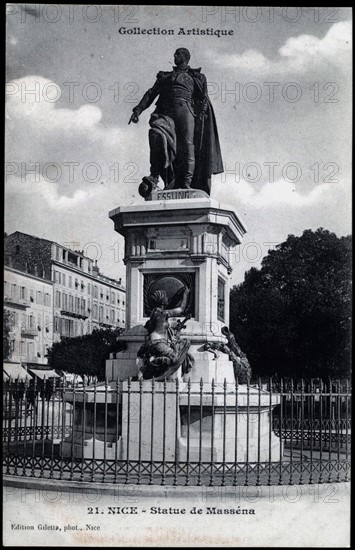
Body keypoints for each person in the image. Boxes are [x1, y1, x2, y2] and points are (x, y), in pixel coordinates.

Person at [129, 48, 223, 195]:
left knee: (187, 145)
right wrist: (138, 110)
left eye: (178, 54)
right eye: (174, 54)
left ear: (185, 57)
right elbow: (151, 93)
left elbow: (203, 98)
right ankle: (154, 175)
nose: (174, 56)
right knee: (155, 134)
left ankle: (186, 183)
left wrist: (202, 113)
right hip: (166, 113)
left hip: (186, 112)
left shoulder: (197, 77)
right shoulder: (165, 77)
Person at [137, 287, 194, 380]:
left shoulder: (156, 313)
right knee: (175, 357)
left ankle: (156, 366)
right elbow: (181, 309)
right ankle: (146, 368)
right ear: (163, 301)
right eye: (166, 298)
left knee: (184, 344)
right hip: (158, 343)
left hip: (159, 342)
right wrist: (185, 294)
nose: (168, 299)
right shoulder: (162, 313)